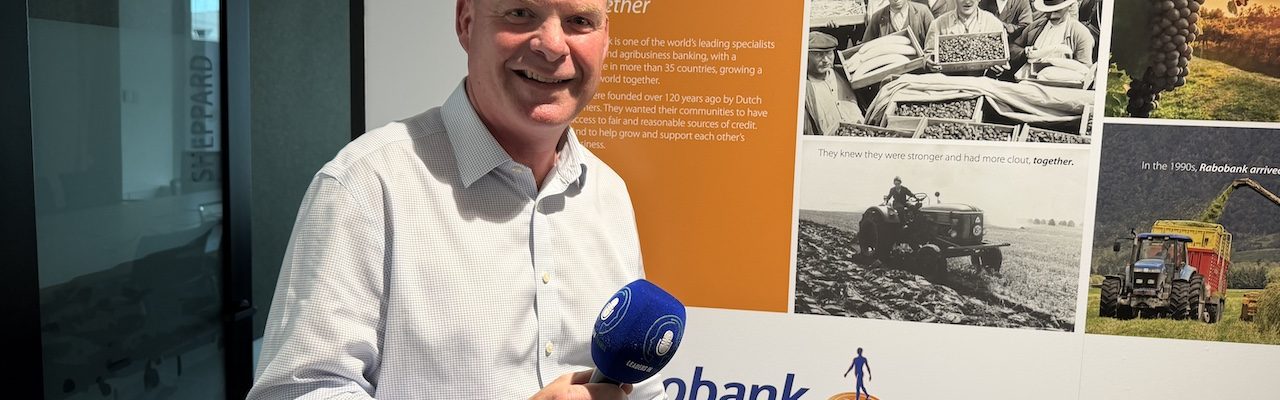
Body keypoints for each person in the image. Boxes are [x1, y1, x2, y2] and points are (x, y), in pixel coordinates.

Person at [246, 0, 662, 399]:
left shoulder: (608, 194)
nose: (553, 45)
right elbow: (297, 392)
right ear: (466, 21)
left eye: (580, 22)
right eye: (520, 13)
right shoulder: (367, 187)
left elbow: (640, 390)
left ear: (605, 39)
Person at [1007, 0, 1096, 73]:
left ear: (1069, 6)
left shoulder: (1081, 34)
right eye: (1048, 11)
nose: (1052, 15)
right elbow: (1012, 48)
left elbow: (1084, 70)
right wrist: (1024, 52)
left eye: (1057, 10)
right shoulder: (1034, 27)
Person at [805, 32, 865, 135]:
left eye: (829, 53)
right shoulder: (805, 88)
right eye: (818, 54)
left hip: (861, 132)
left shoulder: (844, 73)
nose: (825, 60)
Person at [922, 0, 1006, 73]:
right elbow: (928, 54)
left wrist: (999, 68)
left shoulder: (993, 23)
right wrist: (930, 62)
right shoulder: (938, 24)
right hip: (949, 81)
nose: (967, 1)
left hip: (983, 81)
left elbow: (1002, 57)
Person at [863, 0, 934, 46]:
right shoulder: (877, 18)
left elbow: (934, 41)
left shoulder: (923, 12)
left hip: (920, 64)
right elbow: (865, 46)